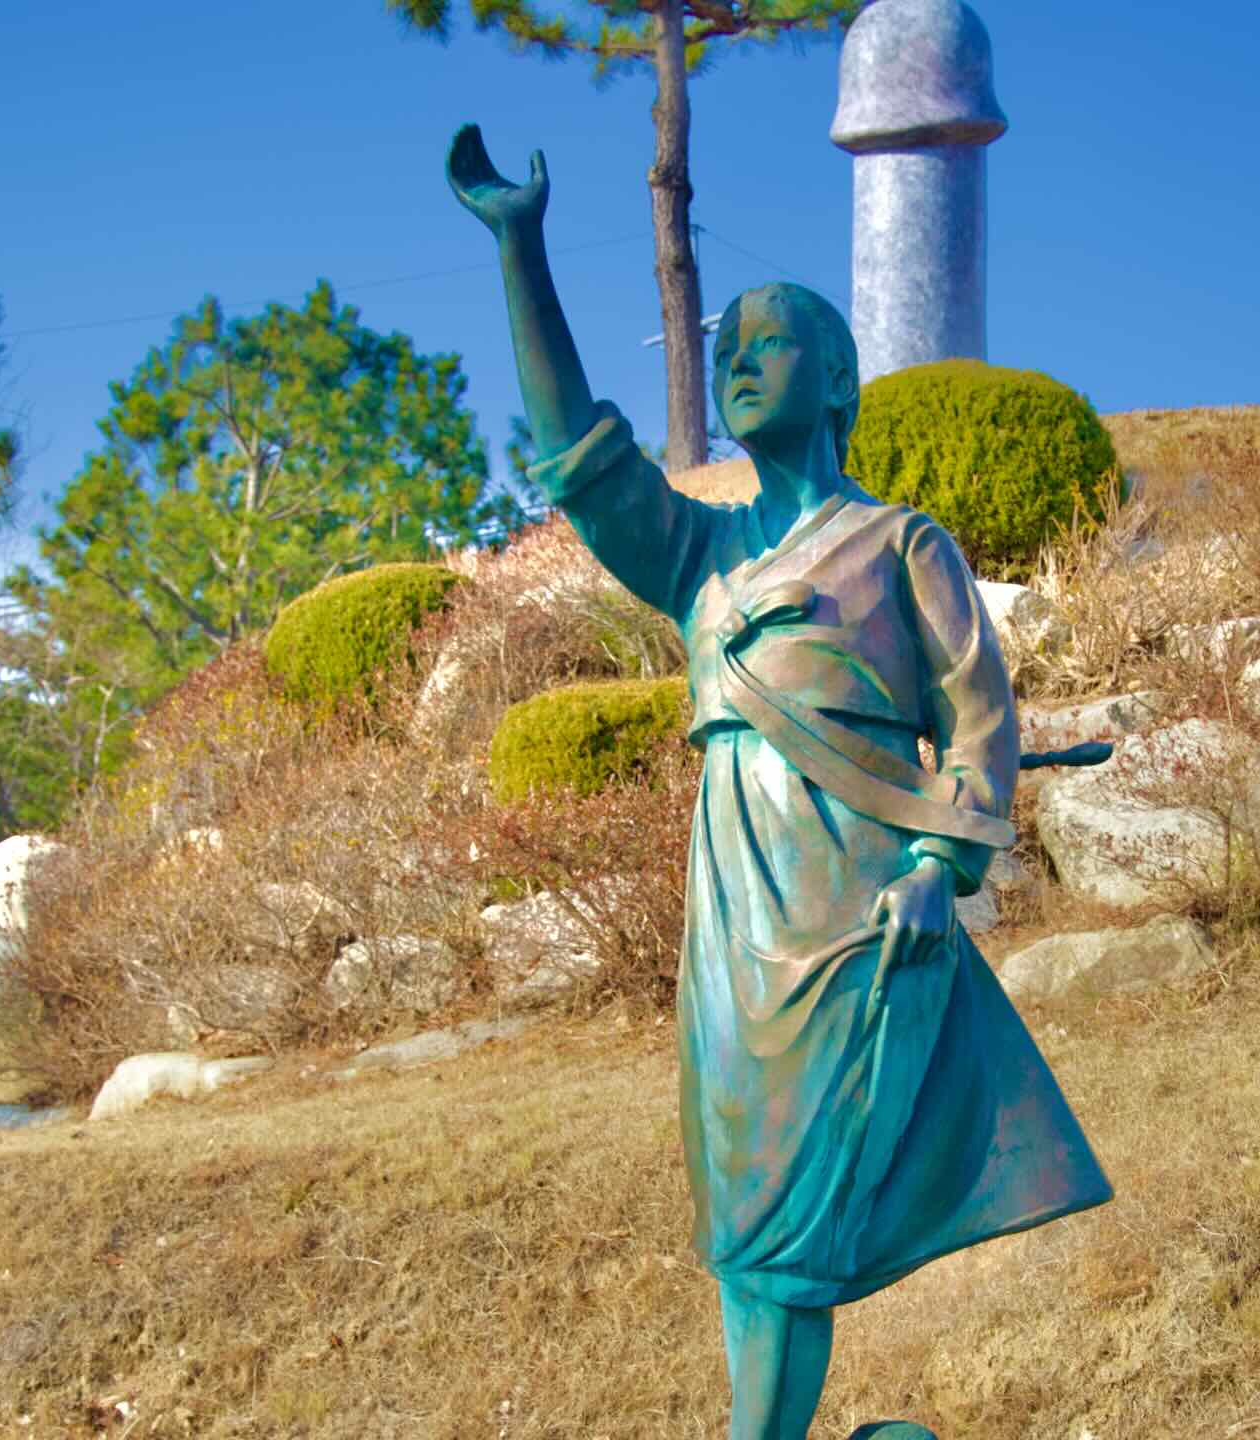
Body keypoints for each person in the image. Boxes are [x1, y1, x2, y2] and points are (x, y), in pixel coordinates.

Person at [448, 124, 1110, 1440]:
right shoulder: (697, 555)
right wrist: (522, 249)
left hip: (859, 925)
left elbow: (982, 712)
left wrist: (941, 869)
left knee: (794, 1215)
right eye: (723, 347)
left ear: (836, 375)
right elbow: (578, 450)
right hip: (734, 936)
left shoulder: (897, 543)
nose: (735, 360)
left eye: (766, 343)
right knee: (744, 1216)